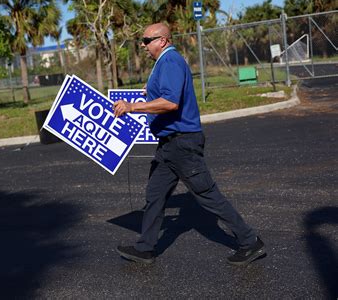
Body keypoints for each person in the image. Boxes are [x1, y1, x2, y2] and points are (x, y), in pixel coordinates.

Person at [113, 23, 266, 266]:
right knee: (155, 194)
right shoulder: (162, 64)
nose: (142, 45)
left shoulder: (170, 61)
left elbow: (171, 102)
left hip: (182, 143)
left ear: (162, 40)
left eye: (146, 40)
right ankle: (145, 248)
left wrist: (132, 107)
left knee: (208, 196)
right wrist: (147, 94)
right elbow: (164, 94)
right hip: (168, 146)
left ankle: (250, 241)